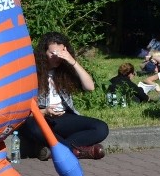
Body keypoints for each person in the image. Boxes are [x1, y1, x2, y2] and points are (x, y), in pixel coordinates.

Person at [20, 32, 109, 160]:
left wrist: (72, 61)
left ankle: (58, 150)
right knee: (32, 127)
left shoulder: (64, 69)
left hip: (62, 117)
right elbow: (21, 110)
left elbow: (90, 87)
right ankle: (79, 151)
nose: (57, 57)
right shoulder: (31, 71)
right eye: (53, 54)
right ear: (43, 52)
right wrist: (44, 111)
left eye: (61, 53)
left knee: (101, 128)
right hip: (39, 117)